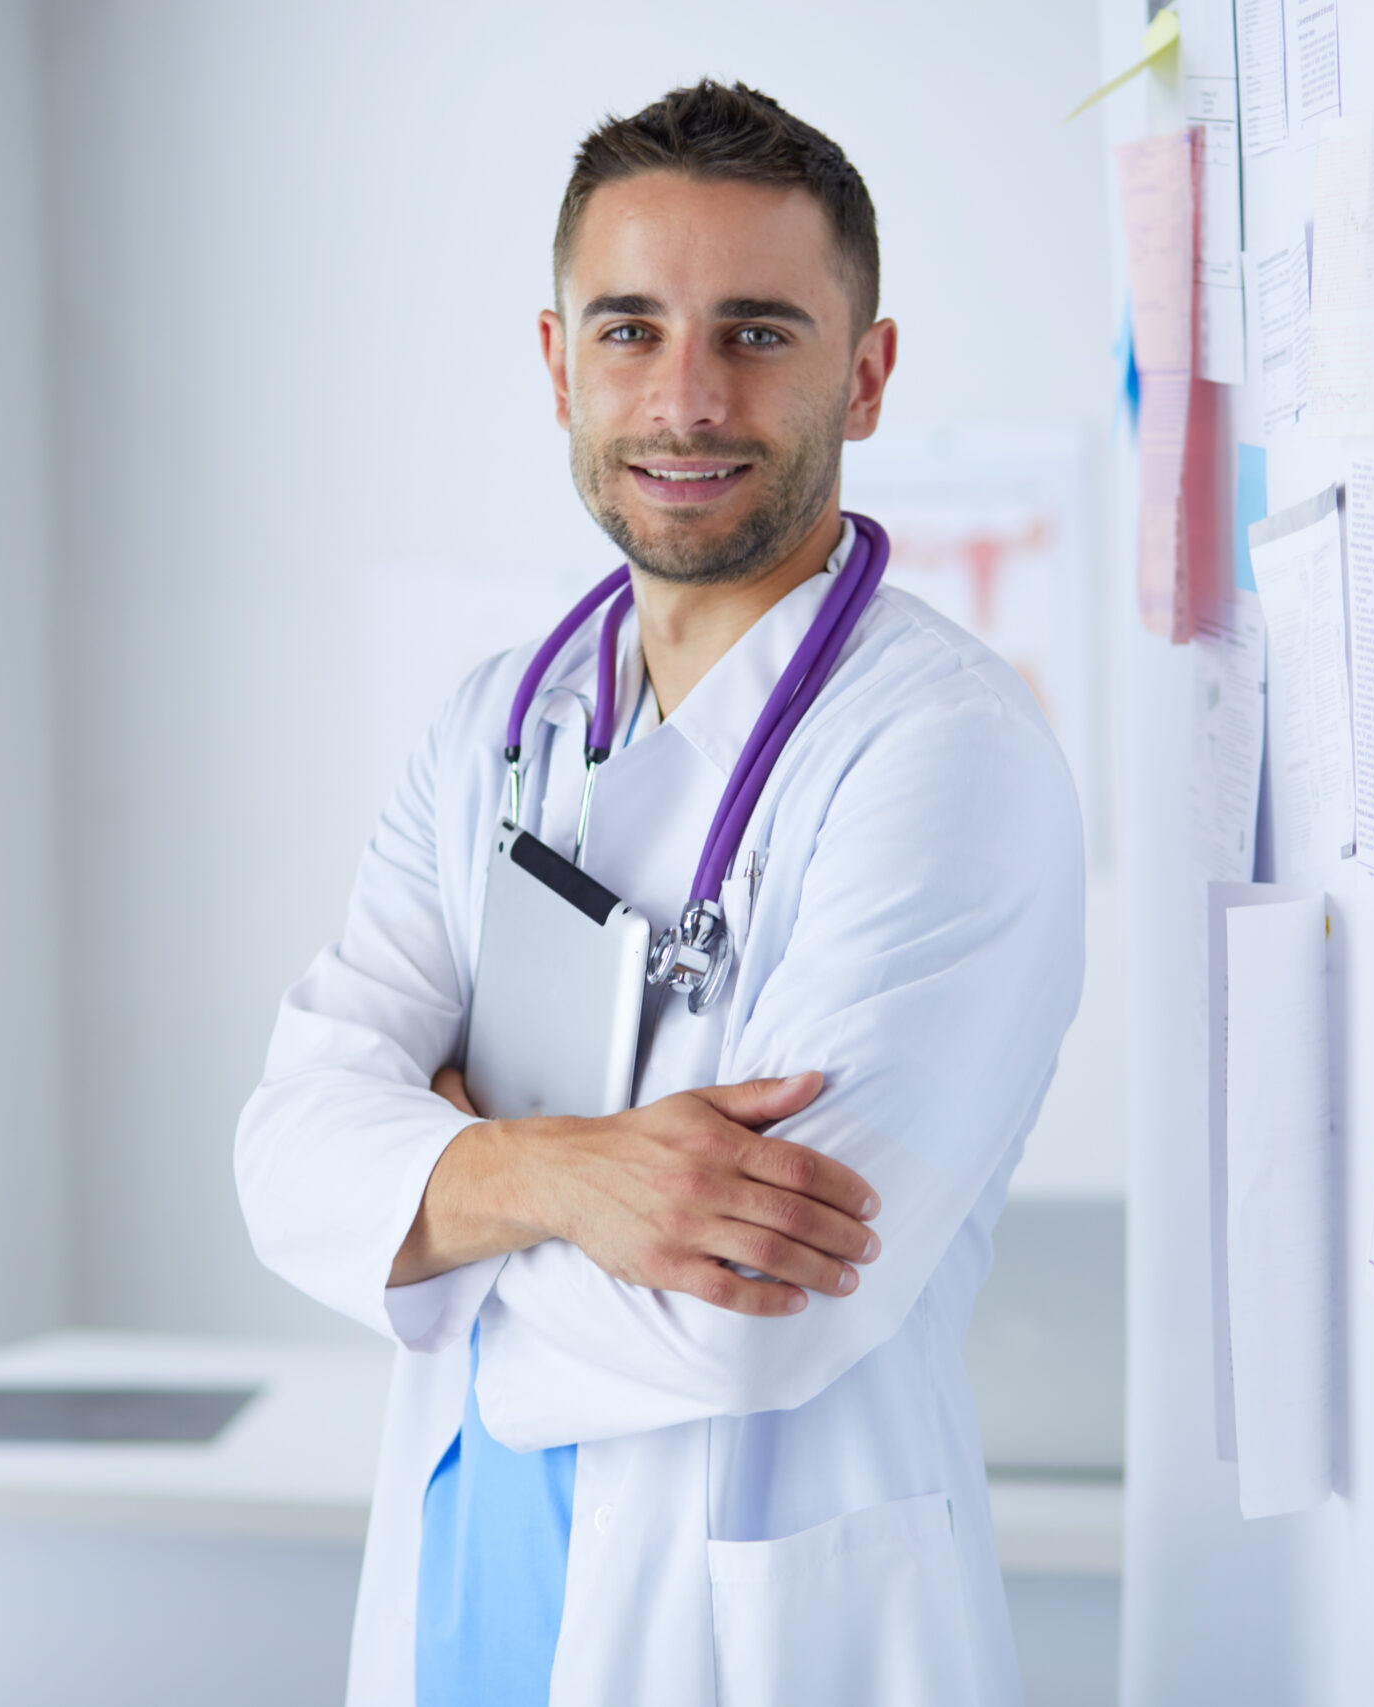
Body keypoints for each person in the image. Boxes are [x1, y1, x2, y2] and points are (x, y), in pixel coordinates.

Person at [236, 81, 1083, 1707]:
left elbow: (751, 1321)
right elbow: (285, 1163)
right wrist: (570, 1180)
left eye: (758, 331)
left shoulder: (945, 757)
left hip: (751, 1642)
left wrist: (427, 1202)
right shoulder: (498, 717)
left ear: (869, 371)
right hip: (460, 1608)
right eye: (630, 329)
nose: (685, 399)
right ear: (559, 363)